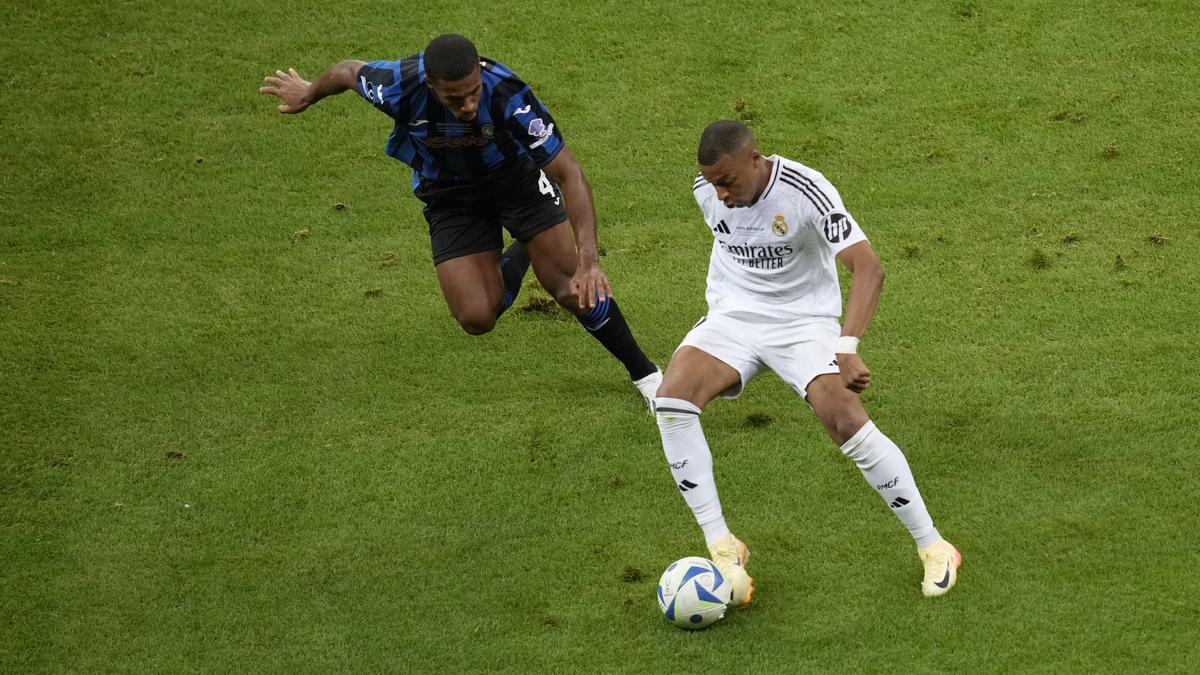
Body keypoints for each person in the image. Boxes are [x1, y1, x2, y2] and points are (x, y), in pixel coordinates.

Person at [259, 34, 661, 408]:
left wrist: (589, 261)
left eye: (473, 92)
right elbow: (348, 71)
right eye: (455, 98)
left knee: (570, 287)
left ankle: (646, 376)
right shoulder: (398, 86)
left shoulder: (507, 94)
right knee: (476, 317)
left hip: (516, 184)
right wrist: (309, 92)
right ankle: (525, 246)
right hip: (450, 196)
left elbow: (570, 173)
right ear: (431, 85)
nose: (468, 105)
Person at [654, 120, 961, 606]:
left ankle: (934, 546)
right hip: (734, 316)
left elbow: (869, 267)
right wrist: (718, 191)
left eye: (728, 181)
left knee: (843, 419)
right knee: (671, 400)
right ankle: (722, 547)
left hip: (803, 323)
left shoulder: (806, 190)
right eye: (712, 182)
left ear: (755, 160)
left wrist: (846, 346)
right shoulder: (706, 191)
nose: (720, 194)